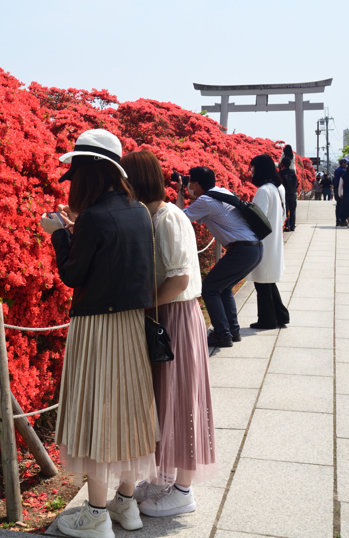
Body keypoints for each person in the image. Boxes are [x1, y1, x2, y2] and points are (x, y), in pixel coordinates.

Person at [39, 129, 158, 537]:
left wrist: (57, 234)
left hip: (97, 328)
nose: (74, 183)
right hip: (131, 326)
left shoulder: (92, 217)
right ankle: (126, 505)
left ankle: (95, 515)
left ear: (92, 172)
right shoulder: (139, 210)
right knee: (128, 415)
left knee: (99, 417)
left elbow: (74, 275)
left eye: (76, 175)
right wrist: (76, 231)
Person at [120, 150, 216, 518]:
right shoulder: (154, 214)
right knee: (168, 399)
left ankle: (183, 490)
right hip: (167, 314)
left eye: (124, 180)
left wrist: (147, 307)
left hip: (174, 314)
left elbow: (179, 278)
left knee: (183, 401)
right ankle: (167, 479)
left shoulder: (168, 217)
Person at [176, 166, 263, 348]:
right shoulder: (221, 192)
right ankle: (233, 331)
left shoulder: (206, 200)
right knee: (223, 288)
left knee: (209, 288)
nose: (188, 184)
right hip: (253, 248)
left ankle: (223, 335)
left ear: (197, 184)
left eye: (190, 181)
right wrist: (188, 192)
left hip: (242, 250)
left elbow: (178, 219)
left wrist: (180, 191)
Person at [247, 155, 289, 329]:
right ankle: (280, 315)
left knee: (263, 283)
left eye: (253, 167)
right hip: (274, 240)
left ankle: (267, 320)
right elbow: (283, 215)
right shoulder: (278, 188)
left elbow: (258, 217)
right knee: (268, 281)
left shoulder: (263, 190)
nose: (251, 171)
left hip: (263, 242)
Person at [278, 155, 298, 232]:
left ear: (282, 164)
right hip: (293, 193)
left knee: (285, 210)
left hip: (285, 194)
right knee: (293, 210)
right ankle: (293, 226)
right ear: (290, 164)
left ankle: (287, 226)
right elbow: (296, 183)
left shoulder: (280, 172)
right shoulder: (293, 172)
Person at [332, 159, 347, 226]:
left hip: (336, 188)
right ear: (343, 163)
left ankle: (337, 220)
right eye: (345, 163)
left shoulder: (337, 170)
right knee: (343, 205)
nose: (346, 164)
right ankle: (343, 220)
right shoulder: (343, 170)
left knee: (338, 205)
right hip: (341, 188)